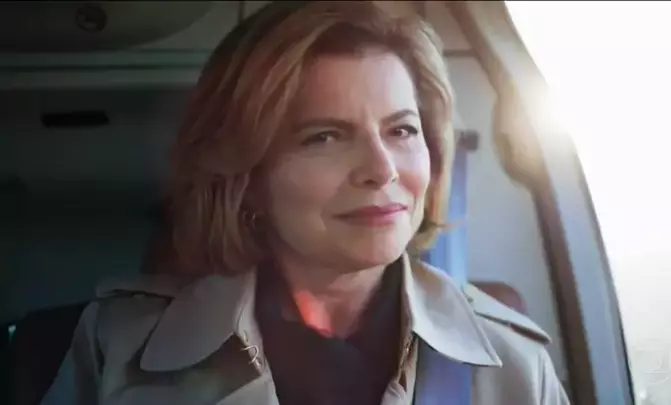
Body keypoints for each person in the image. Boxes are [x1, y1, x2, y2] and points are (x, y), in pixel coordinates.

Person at [41, 2, 570, 404]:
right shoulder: (120, 345)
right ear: (247, 175)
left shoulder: (512, 363)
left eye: (402, 130)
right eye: (325, 137)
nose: (382, 169)